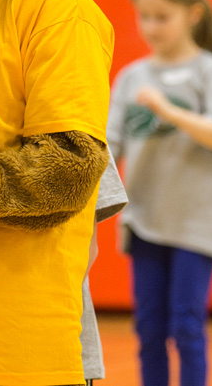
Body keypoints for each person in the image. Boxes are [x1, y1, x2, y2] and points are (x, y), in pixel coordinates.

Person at [107, 0, 212, 386]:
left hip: (195, 224)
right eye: (144, 16)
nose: (151, 27)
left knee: (186, 327)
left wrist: (168, 110)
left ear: (193, 13)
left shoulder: (210, 73)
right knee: (149, 330)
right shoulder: (132, 79)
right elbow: (110, 145)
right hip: (146, 222)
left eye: (162, 17)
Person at [80, 157, 129, 385]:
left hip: (61, 339)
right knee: (152, 332)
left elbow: (84, 249)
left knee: (184, 325)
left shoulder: (80, 124)